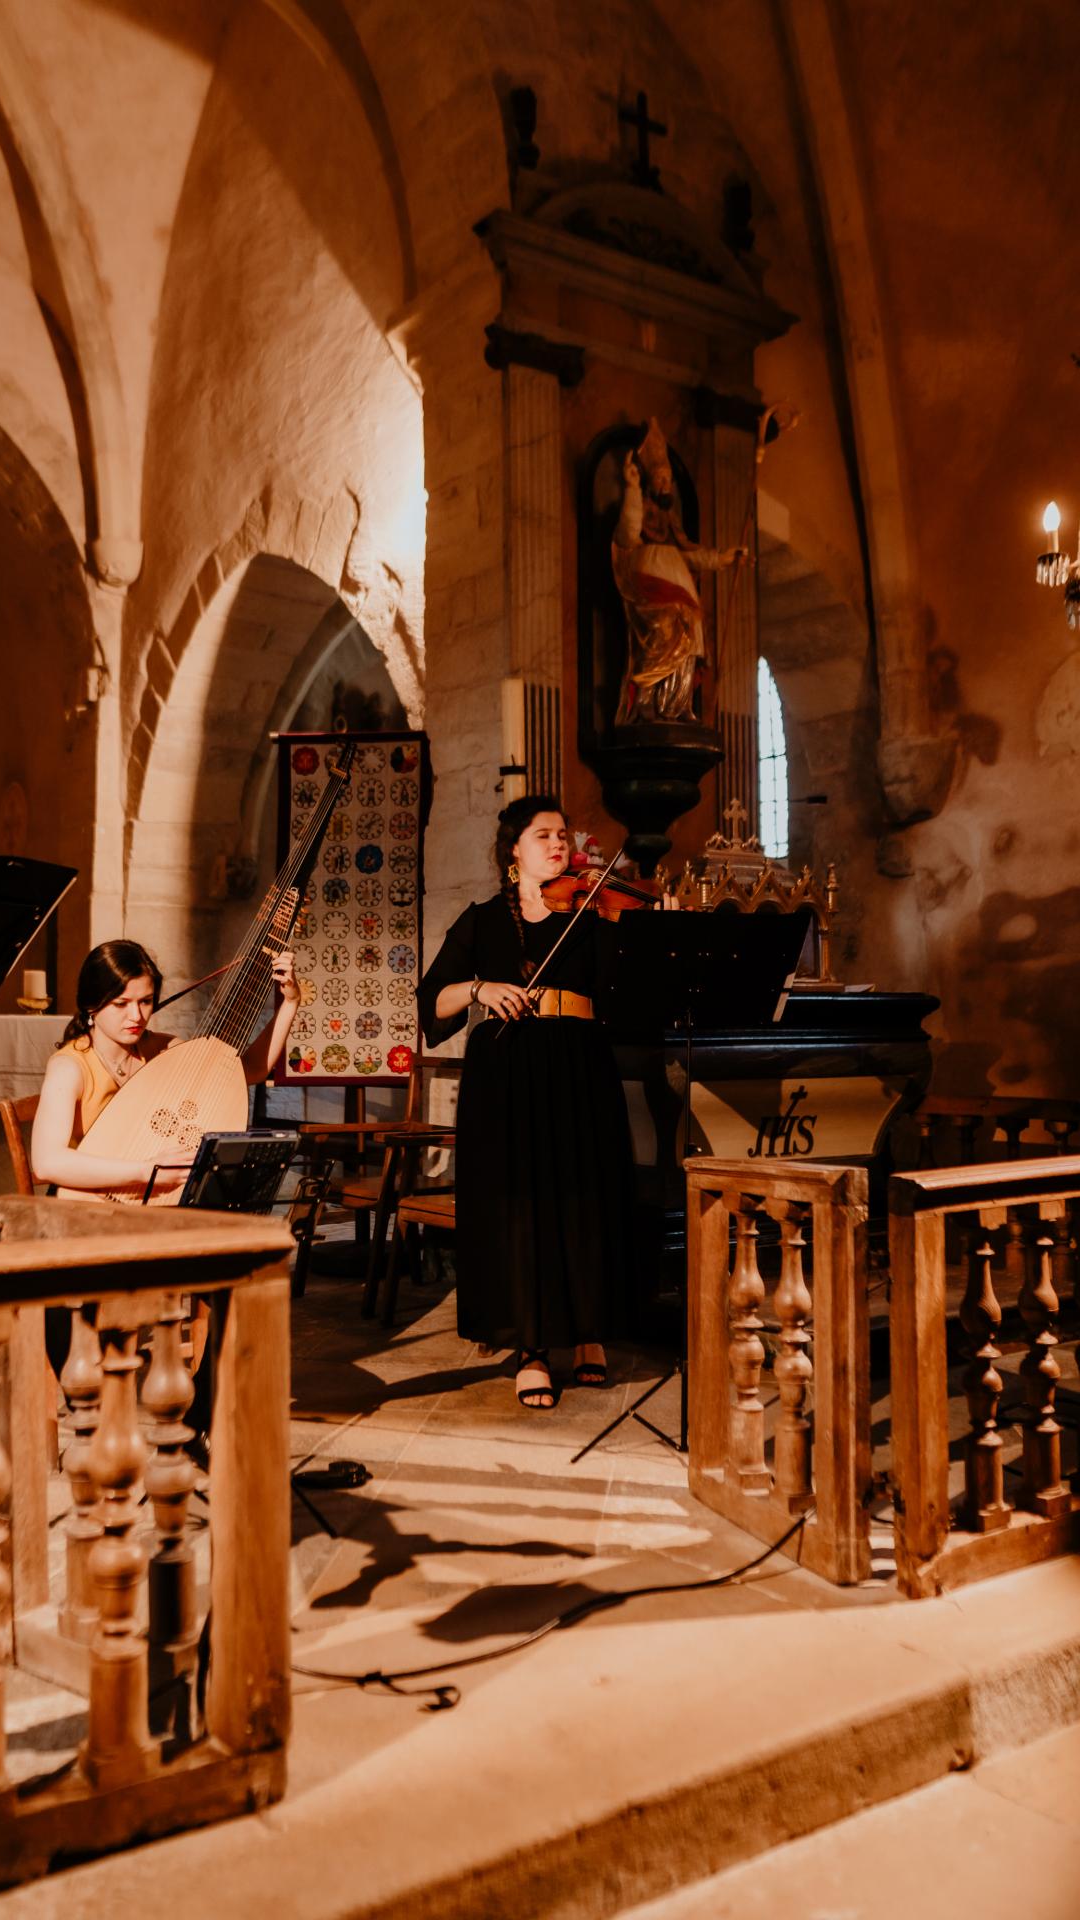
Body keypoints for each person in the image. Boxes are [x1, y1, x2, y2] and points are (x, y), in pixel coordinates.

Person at [416, 798, 637, 1410]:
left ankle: (590, 1333)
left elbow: (631, 995)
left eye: (563, 835)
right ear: (514, 849)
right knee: (520, 1205)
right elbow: (432, 1000)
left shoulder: (595, 914)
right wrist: (481, 987)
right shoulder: (483, 919)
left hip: (580, 1062)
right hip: (507, 1069)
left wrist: (642, 931)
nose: (558, 844)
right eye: (543, 835)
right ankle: (532, 1347)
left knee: (585, 1196)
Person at [30, 936, 299, 1193]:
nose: (136, 1016)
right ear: (92, 1005)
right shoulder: (70, 1067)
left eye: (145, 1001)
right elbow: (46, 1164)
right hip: (93, 1200)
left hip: (152, 1198)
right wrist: (146, 1171)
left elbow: (251, 1070)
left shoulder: (162, 1049)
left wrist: (289, 1002)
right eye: (121, 1003)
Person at [612, 416, 748, 723]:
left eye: (667, 479)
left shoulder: (671, 520)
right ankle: (646, 700)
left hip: (680, 582)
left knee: (692, 634)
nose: (664, 484)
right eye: (659, 478)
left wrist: (722, 558)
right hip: (651, 579)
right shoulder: (641, 508)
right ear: (648, 480)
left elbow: (691, 554)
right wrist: (632, 489)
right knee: (664, 626)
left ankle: (678, 704)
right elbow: (626, 535)